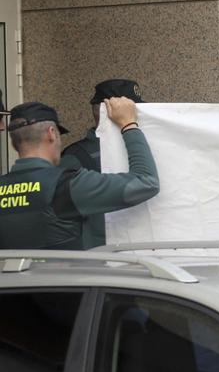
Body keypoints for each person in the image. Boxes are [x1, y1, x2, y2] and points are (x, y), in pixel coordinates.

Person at [0, 99, 159, 250]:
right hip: (64, 278)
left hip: (12, 279)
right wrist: (129, 124)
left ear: (14, 143)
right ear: (52, 133)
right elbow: (146, 182)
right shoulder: (67, 184)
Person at [60, 79, 144, 247]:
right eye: (129, 110)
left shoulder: (144, 146)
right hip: (99, 258)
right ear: (106, 111)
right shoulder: (76, 156)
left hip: (148, 250)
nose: (136, 114)